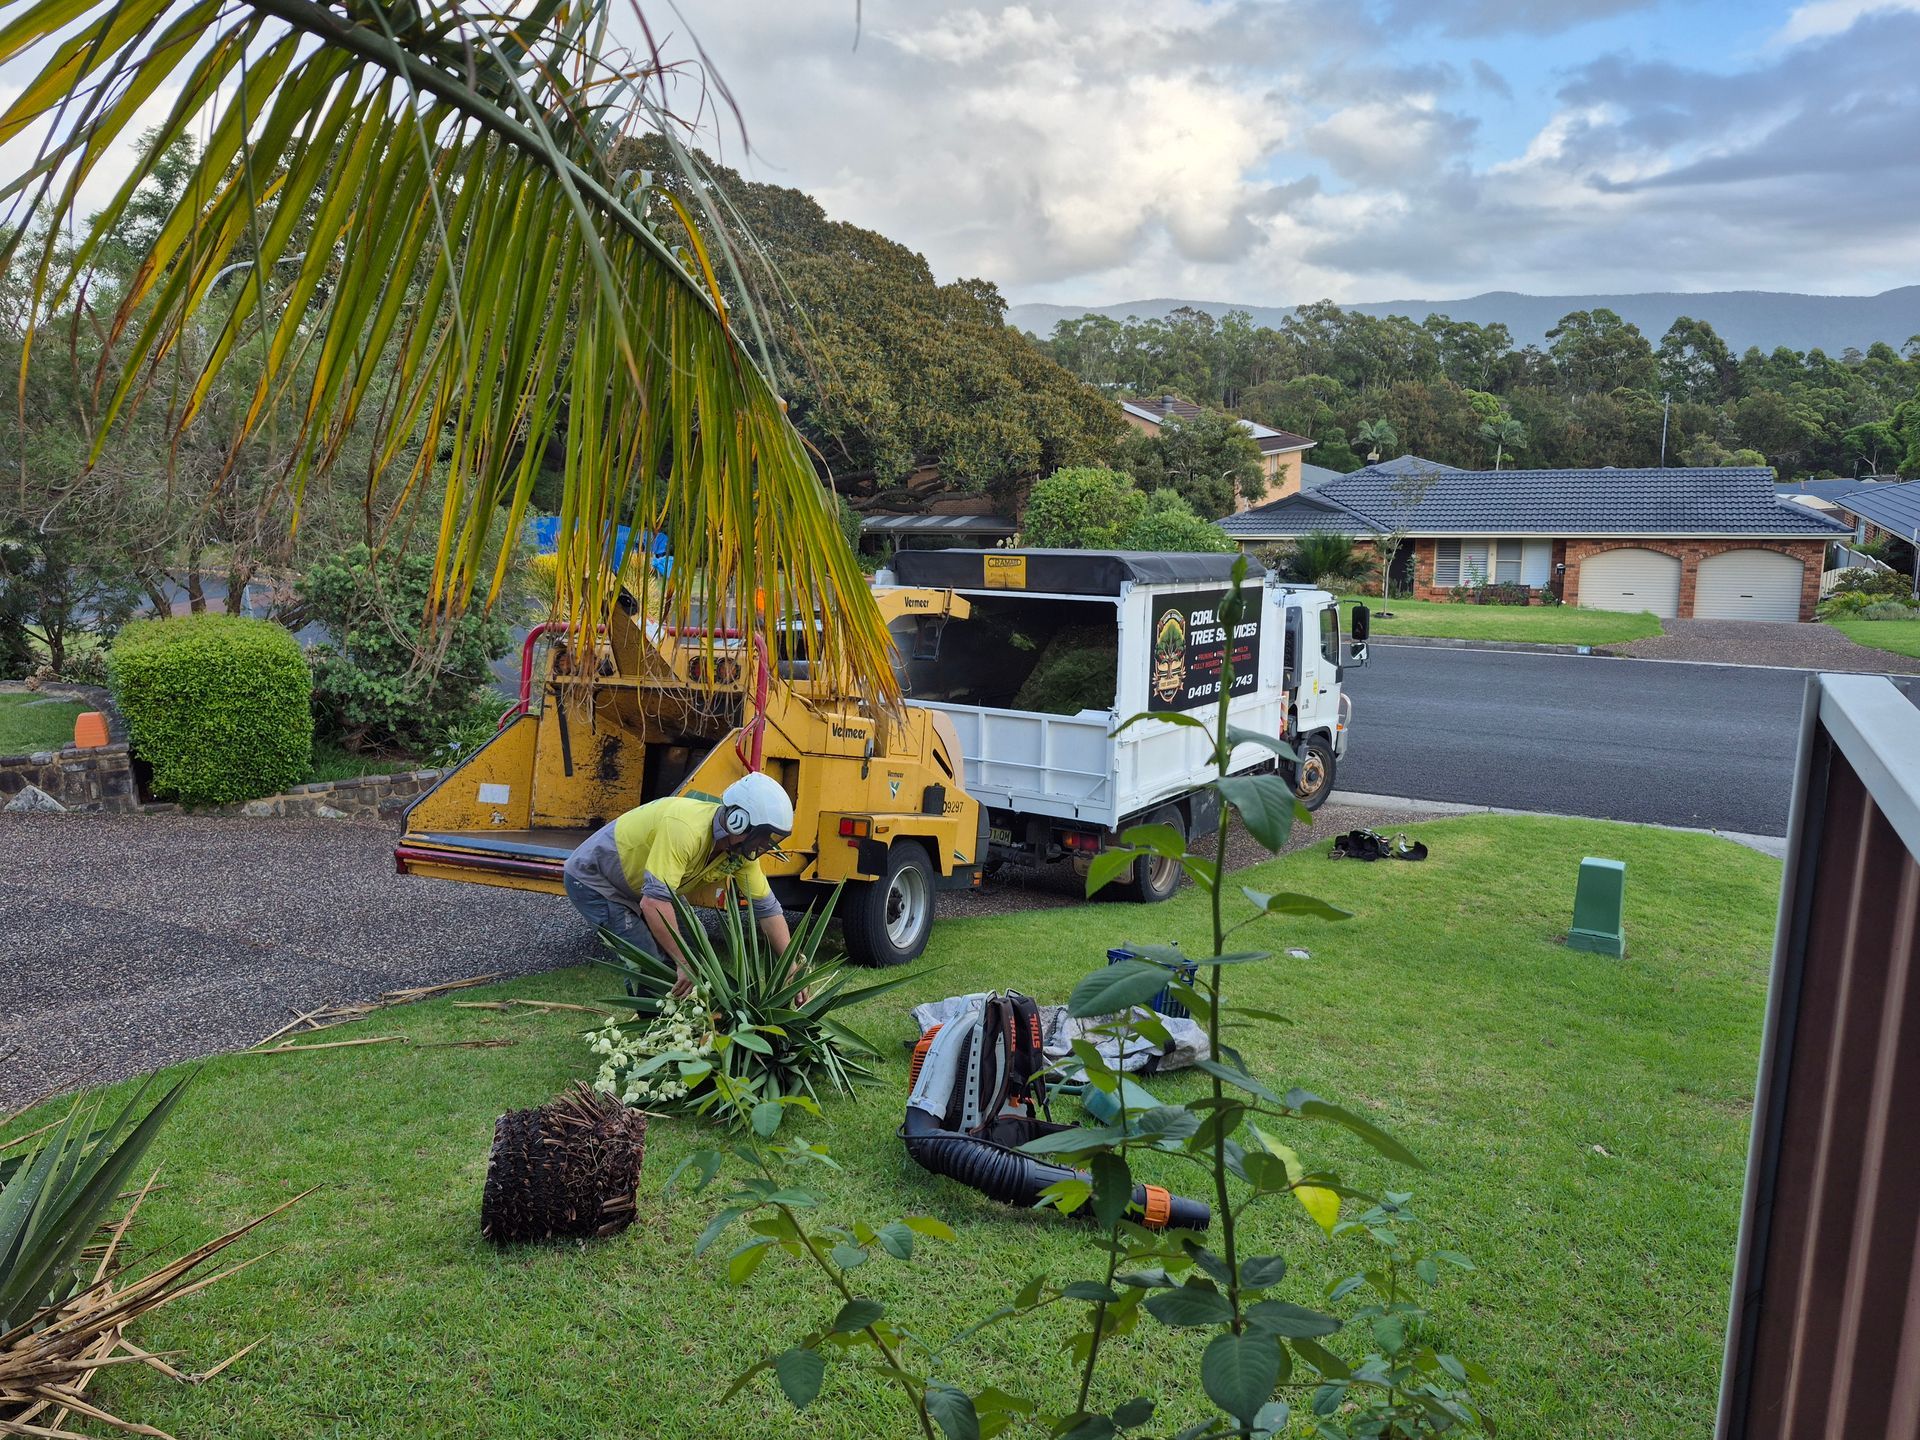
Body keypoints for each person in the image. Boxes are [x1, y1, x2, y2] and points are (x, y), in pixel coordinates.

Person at [563, 772, 796, 997]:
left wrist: (790, 966)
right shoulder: (685, 829)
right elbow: (654, 902)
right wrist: (682, 962)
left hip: (646, 885)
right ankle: (652, 1028)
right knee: (646, 960)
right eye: (763, 835)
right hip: (596, 879)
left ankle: (692, 1019)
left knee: (699, 947)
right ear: (738, 821)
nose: (765, 844)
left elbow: (767, 910)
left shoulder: (739, 853)